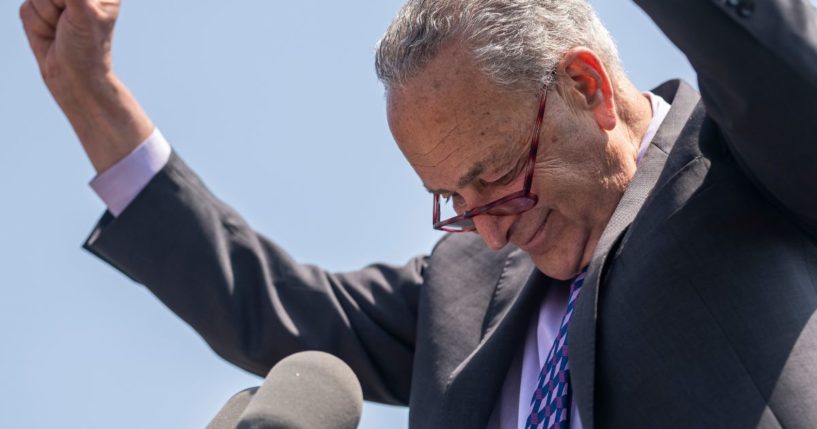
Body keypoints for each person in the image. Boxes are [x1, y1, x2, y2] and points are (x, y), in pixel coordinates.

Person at [20, 0, 817, 427]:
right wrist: (92, 102)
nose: (492, 227)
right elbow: (279, 314)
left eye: (498, 179)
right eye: (453, 203)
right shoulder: (468, 283)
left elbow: (775, 57)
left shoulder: (742, 159)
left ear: (586, 87)